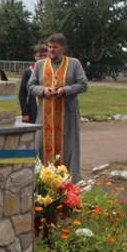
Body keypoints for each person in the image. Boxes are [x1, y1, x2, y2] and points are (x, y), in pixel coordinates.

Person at [28, 33, 88, 181]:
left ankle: (69, 181)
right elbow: (30, 86)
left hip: (67, 114)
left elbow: (83, 84)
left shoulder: (74, 63)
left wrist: (65, 90)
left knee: (69, 147)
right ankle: (42, 181)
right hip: (45, 115)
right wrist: (43, 90)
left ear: (63, 49)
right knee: (40, 146)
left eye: (55, 47)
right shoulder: (40, 65)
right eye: (49, 46)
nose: (51, 50)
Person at [18, 44, 49, 123]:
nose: (43, 58)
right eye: (40, 56)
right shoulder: (28, 72)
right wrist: (25, 113)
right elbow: (22, 94)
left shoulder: (53, 71)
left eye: (45, 56)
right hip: (34, 109)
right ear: (35, 57)